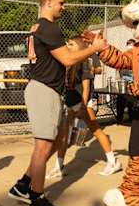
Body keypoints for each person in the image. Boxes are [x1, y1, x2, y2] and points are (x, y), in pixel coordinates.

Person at [7, 0, 107, 206]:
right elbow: (68, 58)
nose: (64, 6)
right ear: (49, 3)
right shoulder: (48, 27)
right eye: (61, 3)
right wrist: (95, 49)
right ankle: (37, 201)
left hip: (46, 90)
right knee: (43, 147)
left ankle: (23, 185)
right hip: (43, 90)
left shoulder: (39, 28)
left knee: (57, 140)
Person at [46, 37, 122, 179]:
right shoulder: (70, 62)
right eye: (67, 43)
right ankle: (59, 166)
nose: (68, 45)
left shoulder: (84, 63)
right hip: (71, 104)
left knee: (96, 131)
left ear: (80, 47)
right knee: (64, 135)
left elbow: (86, 87)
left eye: (71, 44)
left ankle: (113, 162)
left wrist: (82, 106)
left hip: (82, 104)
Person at [115, 39, 136, 123]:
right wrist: (118, 80)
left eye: (131, 45)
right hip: (123, 83)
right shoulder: (123, 56)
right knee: (120, 100)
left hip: (133, 83)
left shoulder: (137, 57)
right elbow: (117, 69)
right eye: (128, 45)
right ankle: (119, 119)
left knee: (132, 101)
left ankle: (131, 118)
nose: (130, 47)